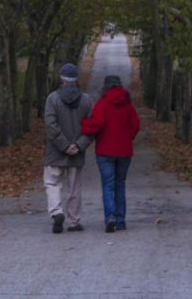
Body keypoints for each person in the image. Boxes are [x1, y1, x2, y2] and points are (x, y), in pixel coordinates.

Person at [81, 74, 140, 233]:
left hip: (105, 151)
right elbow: (135, 124)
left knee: (108, 186)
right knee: (120, 185)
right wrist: (128, 137)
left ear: (105, 87)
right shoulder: (128, 105)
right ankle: (121, 220)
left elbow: (96, 124)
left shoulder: (102, 103)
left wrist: (83, 125)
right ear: (120, 86)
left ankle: (110, 217)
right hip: (124, 151)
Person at [43, 62, 94, 233]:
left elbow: (51, 125)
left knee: (52, 182)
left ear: (61, 78)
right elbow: (91, 128)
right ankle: (73, 221)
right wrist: (78, 145)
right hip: (76, 154)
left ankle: (56, 212)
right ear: (76, 79)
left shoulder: (52, 99)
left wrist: (63, 145)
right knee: (74, 187)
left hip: (55, 152)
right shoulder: (86, 100)